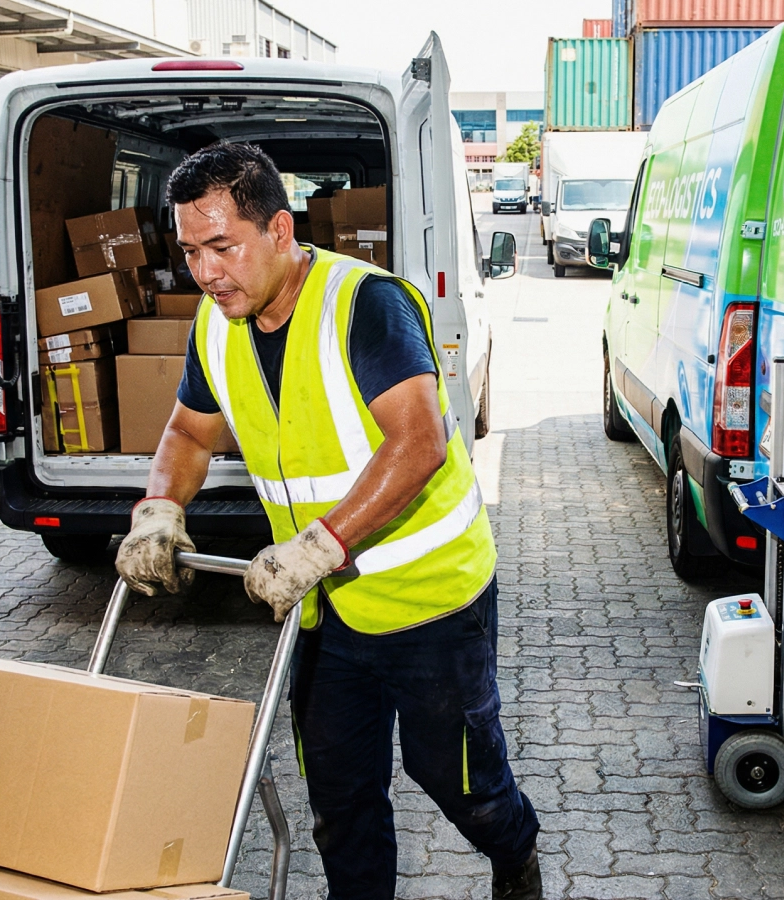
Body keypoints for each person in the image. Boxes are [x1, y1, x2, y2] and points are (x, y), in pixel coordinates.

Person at [113, 143, 541, 900]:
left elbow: (420, 442)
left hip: (430, 602)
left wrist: (321, 544)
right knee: (340, 803)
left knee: (457, 784)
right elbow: (187, 433)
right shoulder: (215, 327)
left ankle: (516, 853)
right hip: (322, 611)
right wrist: (159, 511)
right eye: (189, 252)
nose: (206, 272)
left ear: (279, 231)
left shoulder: (365, 305)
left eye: (223, 247)